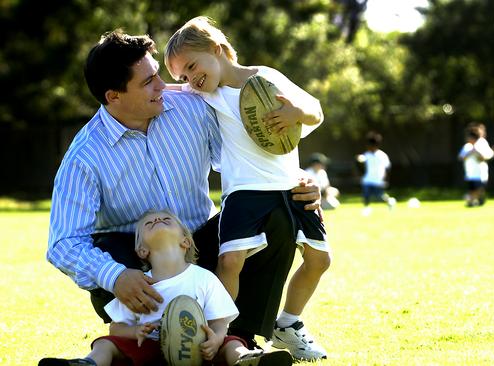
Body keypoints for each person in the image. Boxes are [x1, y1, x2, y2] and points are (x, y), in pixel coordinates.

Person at [45, 30, 321, 355]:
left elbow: (247, 153)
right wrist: (115, 275)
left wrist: (295, 180)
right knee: (106, 250)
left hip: (202, 247)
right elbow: (63, 243)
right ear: (114, 96)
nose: (163, 85)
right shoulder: (85, 156)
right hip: (140, 265)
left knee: (273, 212)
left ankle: (240, 340)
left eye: (158, 76)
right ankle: (147, 342)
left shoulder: (193, 109)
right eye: (148, 82)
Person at [164, 16, 330, 361]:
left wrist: (296, 112)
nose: (190, 79)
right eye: (183, 75)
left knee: (319, 260)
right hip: (244, 193)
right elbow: (171, 91)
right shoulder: (205, 96)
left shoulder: (265, 79)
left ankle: (289, 323)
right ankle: (222, 330)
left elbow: (315, 110)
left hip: (291, 188)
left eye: (192, 66)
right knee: (231, 260)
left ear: (218, 49)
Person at [40, 210, 293, 366]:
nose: (158, 219)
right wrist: (136, 330)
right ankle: (89, 363)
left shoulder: (203, 278)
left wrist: (216, 338)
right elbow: (116, 326)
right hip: (150, 348)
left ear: (186, 241)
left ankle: (245, 359)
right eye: (149, 223)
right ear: (142, 250)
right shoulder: (140, 284)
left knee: (233, 342)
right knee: (105, 343)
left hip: (201, 349)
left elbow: (220, 320)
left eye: (166, 219)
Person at [356, 131, 395, 215]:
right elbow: (361, 163)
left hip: (378, 180)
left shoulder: (382, 155)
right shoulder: (366, 155)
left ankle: (390, 201)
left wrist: (386, 180)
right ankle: (366, 208)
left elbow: (387, 168)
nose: (368, 147)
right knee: (366, 194)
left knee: (380, 197)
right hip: (367, 179)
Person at [458, 122, 494, 207]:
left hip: (480, 173)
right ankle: (472, 200)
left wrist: (477, 153)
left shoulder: (482, 144)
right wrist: (470, 153)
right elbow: (461, 157)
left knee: (479, 188)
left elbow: (486, 156)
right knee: (473, 189)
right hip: (470, 173)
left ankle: (474, 199)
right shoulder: (467, 146)